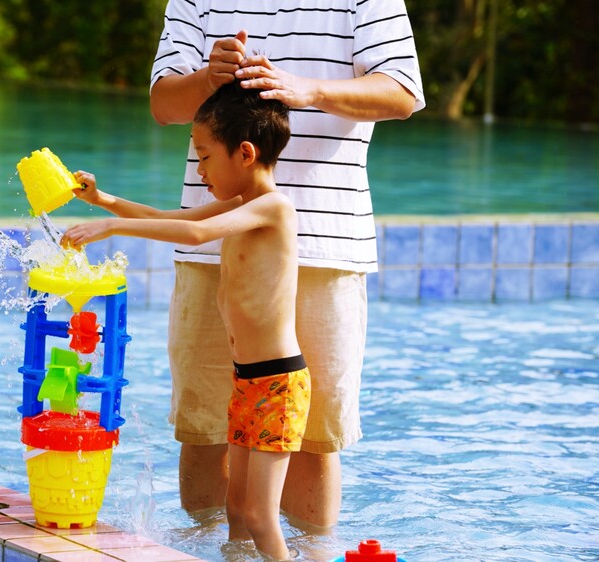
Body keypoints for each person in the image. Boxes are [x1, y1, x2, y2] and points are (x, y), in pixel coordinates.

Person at [149, 1, 426, 529]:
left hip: (325, 245)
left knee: (312, 437)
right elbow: (164, 103)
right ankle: (210, 550)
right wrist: (208, 77)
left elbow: (402, 91)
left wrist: (310, 90)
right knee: (205, 429)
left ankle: (310, 553)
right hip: (214, 248)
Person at [62, 83, 304, 560]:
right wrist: (103, 201)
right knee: (236, 510)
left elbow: (193, 234)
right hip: (248, 381)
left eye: (205, 156)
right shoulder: (239, 207)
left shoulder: (274, 207)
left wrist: (112, 228)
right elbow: (164, 216)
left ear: (246, 153)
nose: (200, 170)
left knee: (259, 515)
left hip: (279, 384)